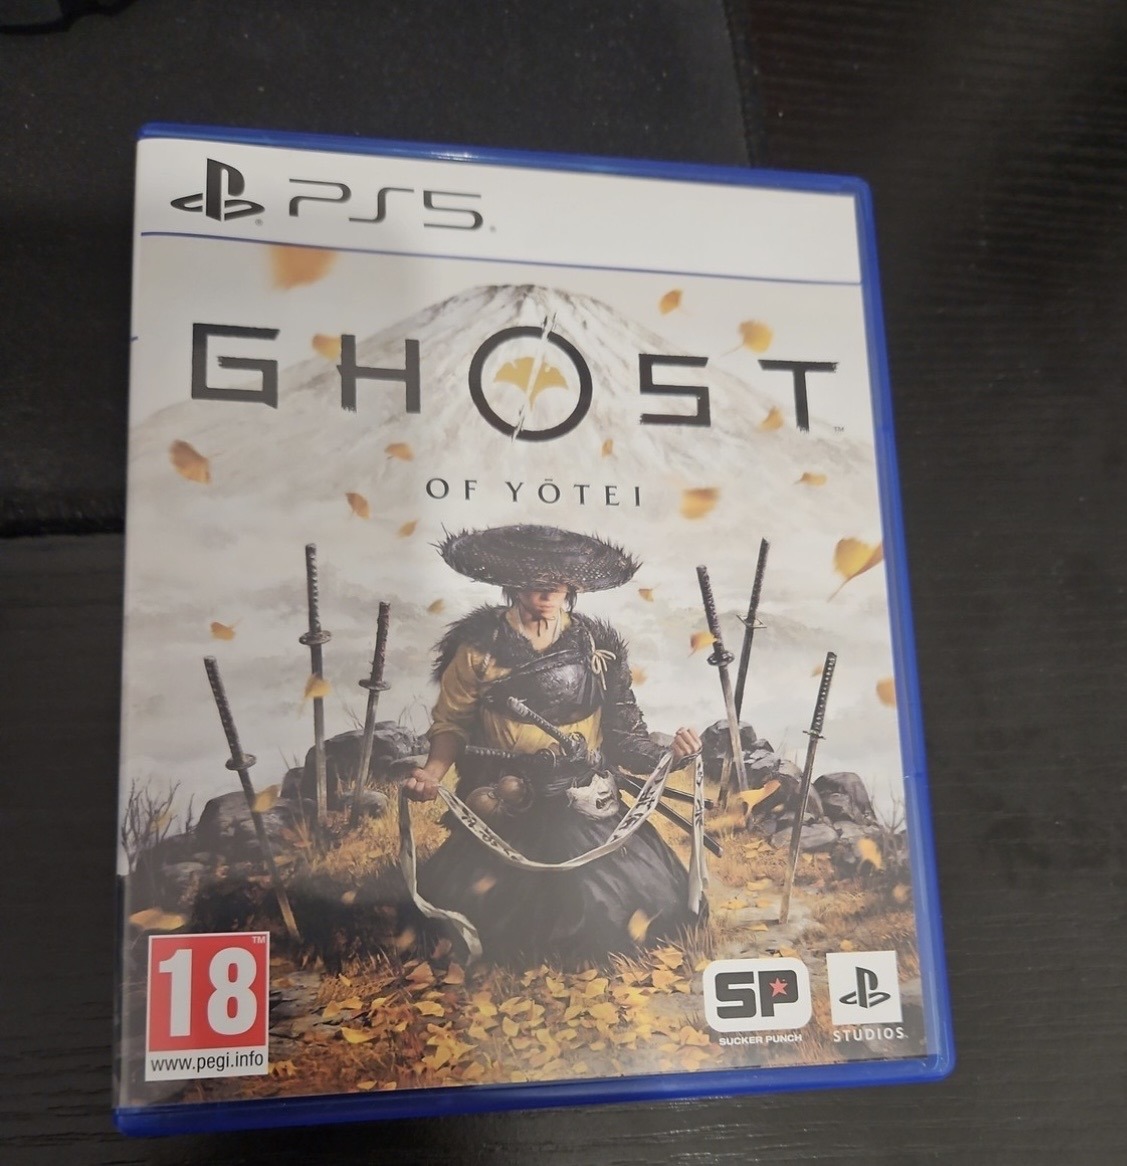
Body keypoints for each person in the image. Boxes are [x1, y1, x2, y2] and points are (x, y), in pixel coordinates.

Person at [404, 524, 702, 967]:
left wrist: (671, 756)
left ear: (572, 586)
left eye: (557, 583)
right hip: (508, 797)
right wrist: (431, 773)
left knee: (637, 907)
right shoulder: (478, 650)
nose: (546, 593)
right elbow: (452, 724)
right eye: (535, 581)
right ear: (513, 583)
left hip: (582, 797)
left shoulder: (599, 648)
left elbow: (624, 735)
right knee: (475, 912)